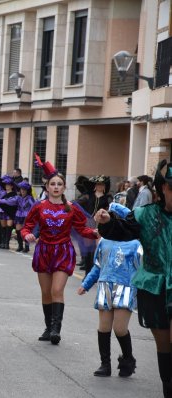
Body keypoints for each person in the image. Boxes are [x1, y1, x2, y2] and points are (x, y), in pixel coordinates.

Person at [94, 159, 172, 396]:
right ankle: (168, 386)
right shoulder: (145, 215)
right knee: (164, 344)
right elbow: (122, 232)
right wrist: (107, 222)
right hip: (154, 286)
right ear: (162, 189)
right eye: (171, 187)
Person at [20, 155, 99, 345]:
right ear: (47, 187)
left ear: (64, 188)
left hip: (63, 251)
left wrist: (96, 232)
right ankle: (48, 327)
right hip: (43, 251)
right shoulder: (38, 207)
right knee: (46, 293)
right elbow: (26, 227)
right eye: (52, 184)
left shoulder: (72, 208)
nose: (56, 187)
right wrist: (27, 236)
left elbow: (82, 228)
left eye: (59, 184)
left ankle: (56, 329)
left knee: (57, 290)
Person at [77, 202, 140, 378]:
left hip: (126, 287)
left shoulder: (135, 243)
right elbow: (97, 266)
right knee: (104, 327)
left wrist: (139, 289)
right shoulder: (104, 241)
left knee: (120, 328)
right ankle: (105, 364)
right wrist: (86, 284)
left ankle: (128, 358)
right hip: (105, 286)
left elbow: (140, 268)